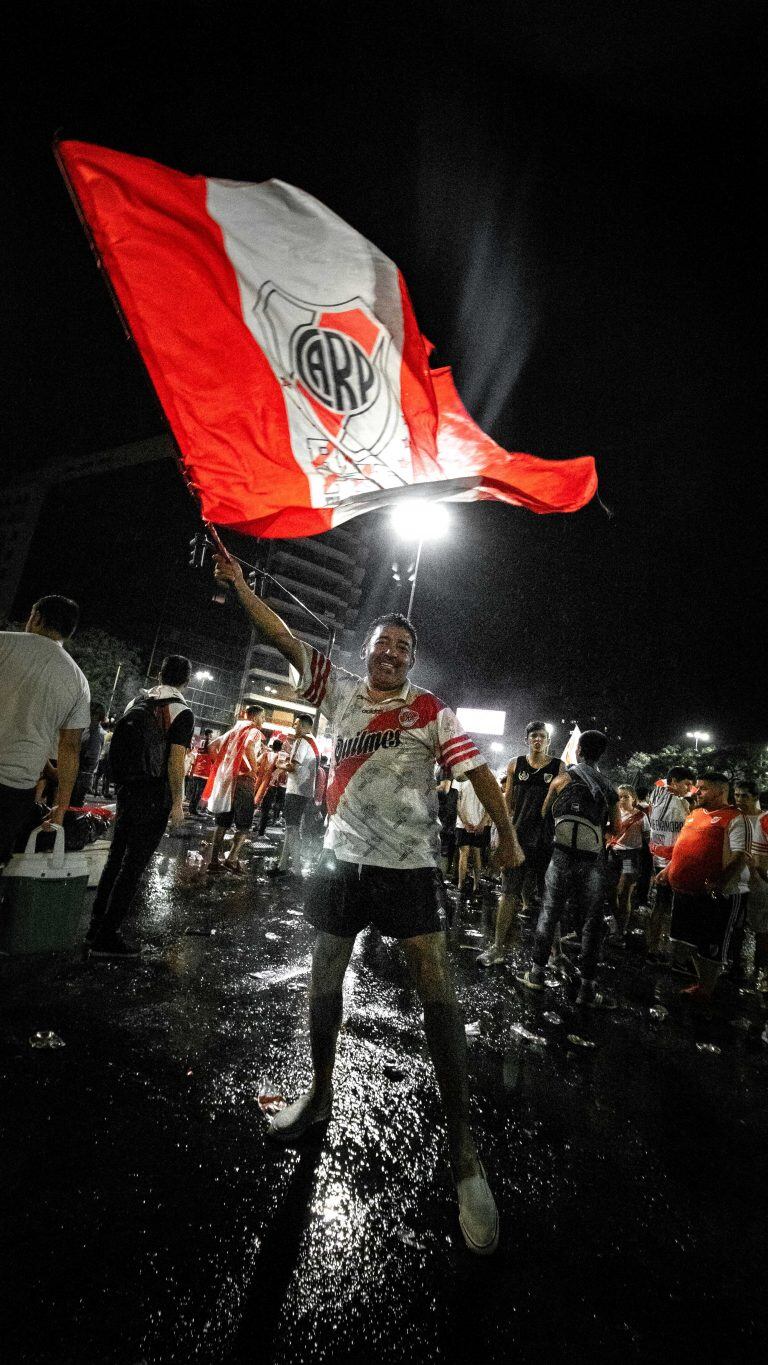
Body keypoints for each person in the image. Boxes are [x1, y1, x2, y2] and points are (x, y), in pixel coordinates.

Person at [214, 552, 524, 1256]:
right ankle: (319, 1094)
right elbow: (285, 637)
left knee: (437, 992)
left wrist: (507, 840)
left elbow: (477, 773)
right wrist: (239, 587)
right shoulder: (338, 690)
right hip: (342, 864)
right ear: (366, 653)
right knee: (324, 976)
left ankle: (466, 1154)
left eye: (402, 648)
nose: (390, 654)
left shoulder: (430, 710)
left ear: (412, 661)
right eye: (382, 644)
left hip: (410, 870)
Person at [86, 655, 194, 958]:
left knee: (116, 856)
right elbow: (175, 762)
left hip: (128, 787)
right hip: (153, 793)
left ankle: (96, 924)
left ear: (159, 674)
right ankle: (107, 937)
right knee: (133, 866)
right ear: (187, 680)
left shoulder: (138, 701)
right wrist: (177, 804)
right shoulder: (180, 710)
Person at [517, 730, 621, 1007]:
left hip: (560, 857)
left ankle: (537, 974)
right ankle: (587, 989)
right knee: (591, 923)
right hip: (592, 861)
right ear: (601, 754)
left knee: (549, 913)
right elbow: (617, 829)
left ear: (578, 750)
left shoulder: (562, 779)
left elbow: (544, 814)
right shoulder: (608, 788)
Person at [0, 595, 90, 869]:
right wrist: (60, 808)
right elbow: (70, 748)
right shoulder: (78, 681)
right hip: (16, 788)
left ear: (36, 617)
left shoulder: (4, 642)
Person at [659, 772, 751, 1002]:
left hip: (716, 897)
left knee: (711, 944)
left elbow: (740, 856)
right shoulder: (696, 813)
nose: (696, 792)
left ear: (720, 791)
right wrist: (668, 869)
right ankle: (701, 979)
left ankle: (706, 989)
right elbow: (684, 845)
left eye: (703, 788)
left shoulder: (735, 818)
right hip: (685, 892)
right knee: (684, 943)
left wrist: (720, 883)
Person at [478, 721, 563, 967]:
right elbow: (507, 803)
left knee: (550, 898)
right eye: (534, 736)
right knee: (508, 894)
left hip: (546, 841)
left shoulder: (559, 767)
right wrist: (502, 834)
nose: (538, 740)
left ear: (548, 741)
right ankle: (497, 948)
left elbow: (559, 803)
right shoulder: (515, 764)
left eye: (542, 736)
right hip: (519, 838)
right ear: (527, 739)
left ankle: (557, 954)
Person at [203, 705, 265, 873]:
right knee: (244, 824)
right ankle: (231, 859)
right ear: (254, 718)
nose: (263, 721)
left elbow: (212, 746)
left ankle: (214, 861)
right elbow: (249, 746)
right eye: (262, 717)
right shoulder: (253, 731)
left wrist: (223, 765)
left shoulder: (233, 731)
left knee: (222, 822)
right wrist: (253, 769)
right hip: (243, 781)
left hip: (227, 781)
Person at [645, 766, 696, 965]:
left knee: (660, 905)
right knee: (675, 908)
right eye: (687, 784)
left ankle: (653, 948)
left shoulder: (656, 794)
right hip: (674, 862)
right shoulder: (681, 804)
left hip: (657, 859)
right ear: (674, 781)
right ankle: (675, 954)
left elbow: (659, 783)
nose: (690, 788)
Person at [268, 714, 319, 879]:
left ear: (304, 726)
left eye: (296, 724)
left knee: (292, 828)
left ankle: (295, 868)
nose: (293, 727)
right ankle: (283, 865)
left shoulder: (302, 741)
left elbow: (292, 766)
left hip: (296, 790)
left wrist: (279, 765)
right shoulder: (313, 742)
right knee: (292, 828)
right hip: (305, 791)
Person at [734, 779, 768, 990]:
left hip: (757, 882)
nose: (739, 799)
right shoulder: (734, 817)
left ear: (756, 797)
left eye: (743, 795)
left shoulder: (761, 820)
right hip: (741, 880)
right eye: (736, 795)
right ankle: (736, 964)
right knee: (738, 923)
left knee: (760, 929)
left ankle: (759, 970)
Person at [605, 785, 650, 945]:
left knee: (623, 893)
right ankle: (617, 920)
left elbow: (647, 839)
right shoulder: (614, 814)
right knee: (610, 891)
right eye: (620, 797)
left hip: (630, 857)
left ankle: (620, 930)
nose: (622, 800)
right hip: (613, 854)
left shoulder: (640, 817)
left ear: (634, 799)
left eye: (626, 797)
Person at [455, 776, 488, 900]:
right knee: (476, 854)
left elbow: (456, 803)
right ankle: (476, 886)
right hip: (478, 823)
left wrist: (464, 822)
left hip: (462, 824)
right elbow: (489, 805)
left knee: (464, 854)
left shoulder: (460, 781)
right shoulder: (485, 780)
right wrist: (482, 823)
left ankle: (461, 885)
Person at [71, 701, 107, 806]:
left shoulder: (95, 732)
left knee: (74, 806)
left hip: (82, 775)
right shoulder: (87, 729)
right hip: (80, 774)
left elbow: (91, 756)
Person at [256, 737, 288, 836]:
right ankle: (261, 832)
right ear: (281, 747)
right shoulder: (281, 757)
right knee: (266, 808)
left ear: (272, 746)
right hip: (272, 786)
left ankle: (254, 826)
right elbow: (283, 772)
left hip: (260, 783)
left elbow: (257, 762)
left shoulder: (265, 754)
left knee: (256, 805)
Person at [188, 729, 214, 815]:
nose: (211, 737)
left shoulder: (200, 745)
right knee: (198, 793)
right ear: (208, 735)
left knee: (195, 792)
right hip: (204, 773)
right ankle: (193, 809)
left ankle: (191, 808)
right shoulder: (210, 744)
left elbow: (197, 758)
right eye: (210, 735)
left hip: (197, 771)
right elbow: (212, 758)